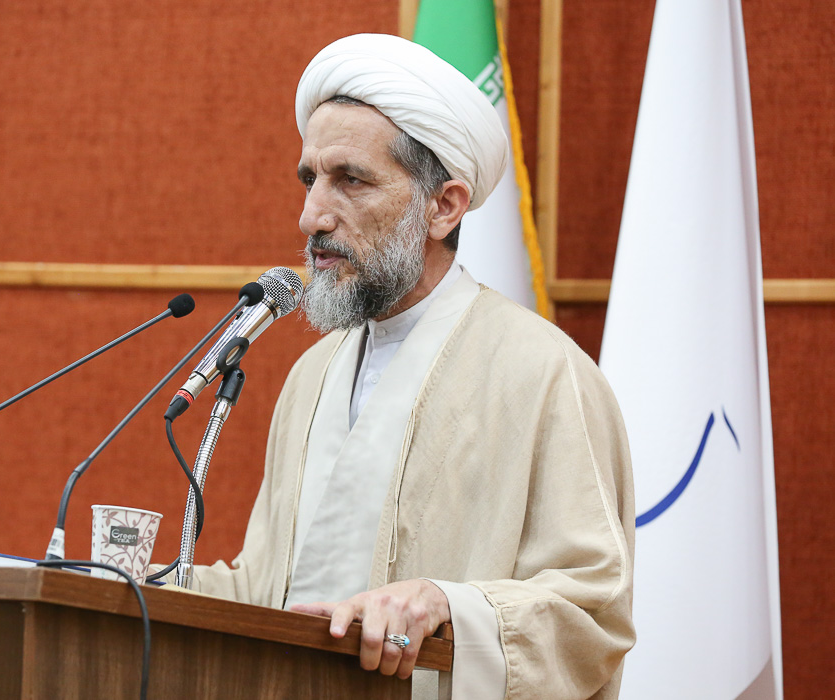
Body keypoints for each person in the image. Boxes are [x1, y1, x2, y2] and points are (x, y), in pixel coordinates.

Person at [178, 34, 635, 699]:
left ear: (443, 206)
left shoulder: (544, 373)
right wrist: (125, 581)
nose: (311, 216)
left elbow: (591, 613)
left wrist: (445, 604)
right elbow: (269, 588)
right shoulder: (313, 374)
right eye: (310, 180)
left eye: (350, 180)